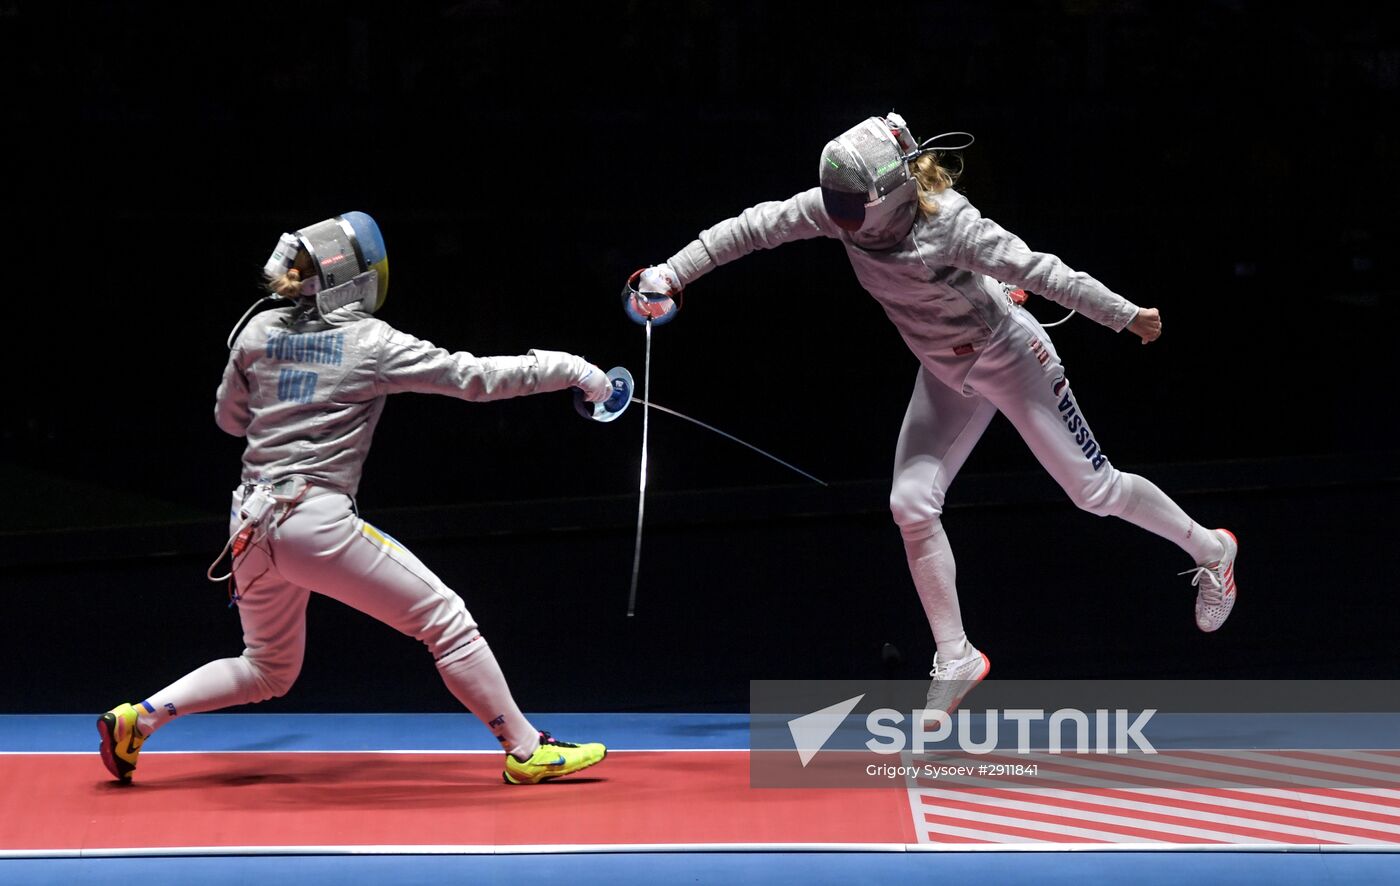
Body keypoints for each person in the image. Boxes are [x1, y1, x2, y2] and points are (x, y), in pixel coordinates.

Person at [625, 112, 1238, 716]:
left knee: (1093, 489)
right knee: (911, 503)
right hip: (945, 373)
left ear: (887, 193)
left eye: (846, 199)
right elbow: (751, 228)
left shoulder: (952, 225)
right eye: (833, 197)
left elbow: (1040, 270)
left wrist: (1124, 314)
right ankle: (956, 653)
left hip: (1009, 356)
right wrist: (670, 275)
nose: (834, 210)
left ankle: (1211, 550)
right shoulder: (835, 210)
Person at [99, 211, 611, 785]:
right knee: (445, 619)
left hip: (248, 523)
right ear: (357, 277)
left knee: (267, 668)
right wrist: (572, 370)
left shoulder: (257, 330)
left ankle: (136, 720)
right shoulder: (371, 341)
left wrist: (280, 387)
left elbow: (229, 420)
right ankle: (525, 749)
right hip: (311, 520)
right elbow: (473, 379)